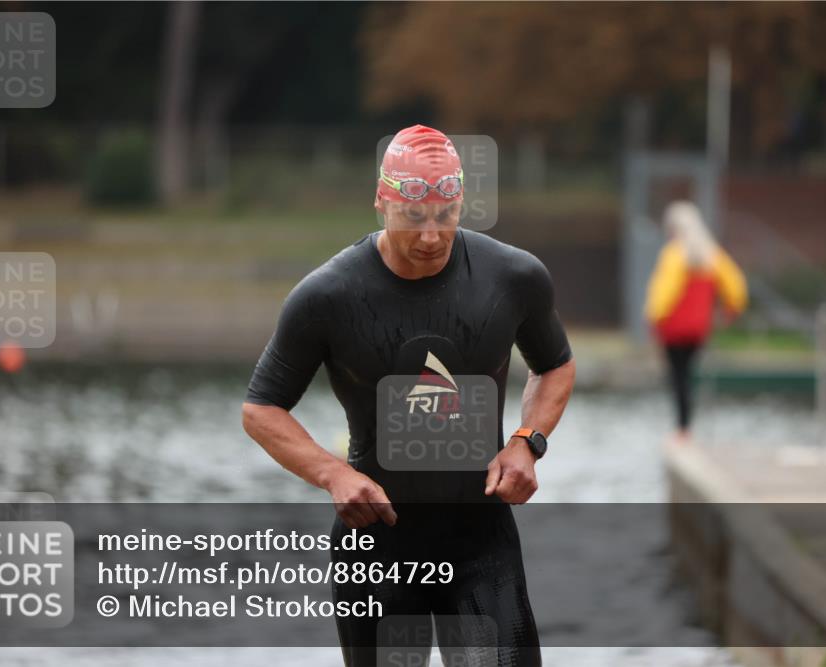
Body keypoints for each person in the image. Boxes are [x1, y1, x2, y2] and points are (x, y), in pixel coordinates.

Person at [242, 124, 576, 666]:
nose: (430, 236)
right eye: (413, 217)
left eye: (445, 217)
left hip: (479, 543)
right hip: (377, 545)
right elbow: (261, 409)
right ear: (381, 201)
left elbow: (555, 366)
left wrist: (526, 441)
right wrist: (333, 475)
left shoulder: (512, 277)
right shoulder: (328, 295)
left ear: (461, 203)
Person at [644, 200, 747, 443]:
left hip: (673, 328)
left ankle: (682, 427)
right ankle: (686, 425)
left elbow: (664, 293)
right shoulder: (712, 255)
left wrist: (653, 318)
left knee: (677, 376)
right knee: (688, 375)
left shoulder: (674, 254)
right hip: (699, 329)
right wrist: (731, 310)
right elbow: (736, 285)